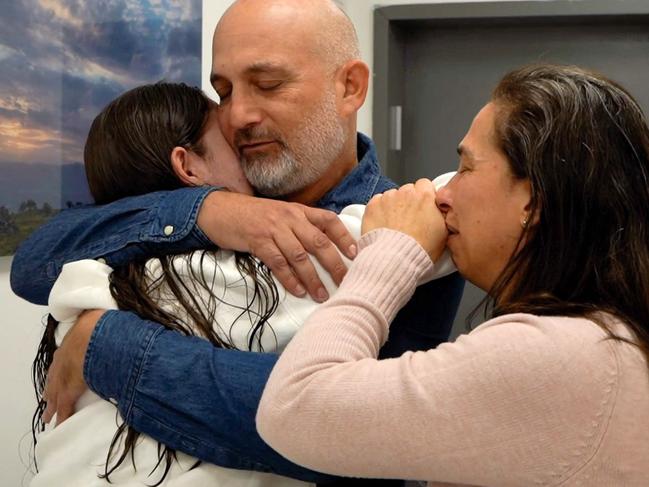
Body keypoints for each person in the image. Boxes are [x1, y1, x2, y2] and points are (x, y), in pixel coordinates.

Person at [12, 0, 464, 483]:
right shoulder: (196, 202)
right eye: (224, 92)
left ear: (349, 87)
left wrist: (107, 343)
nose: (238, 116)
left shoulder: (410, 229)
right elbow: (34, 265)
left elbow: (369, 434)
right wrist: (204, 212)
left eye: (268, 85)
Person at [257, 64, 649, 486]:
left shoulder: (564, 356)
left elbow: (293, 406)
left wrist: (389, 253)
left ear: (533, 202)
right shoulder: (604, 342)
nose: (443, 195)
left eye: (466, 169)